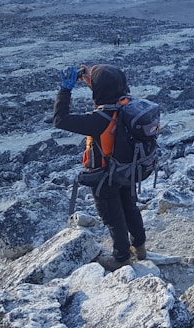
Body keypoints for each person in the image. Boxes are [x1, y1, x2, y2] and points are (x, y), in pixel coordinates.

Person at [53, 63, 147, 270]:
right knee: (130, 207)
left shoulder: (98, 119)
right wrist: (93, 82)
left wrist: (65, 90)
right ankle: (140, 247)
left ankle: (121, 258)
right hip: (129, 170)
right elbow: (110, 92)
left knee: (113, 216)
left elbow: (60, 119)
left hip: (105, 176)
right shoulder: (130, 105)